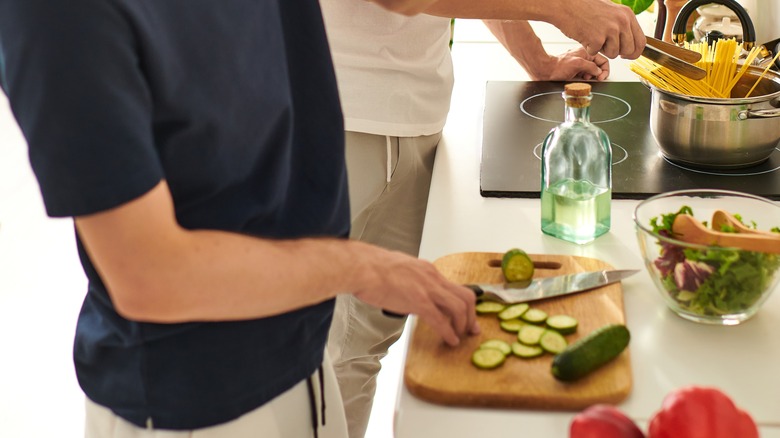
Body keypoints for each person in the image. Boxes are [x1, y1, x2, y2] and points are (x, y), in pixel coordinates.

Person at [0, 0, 479, 437]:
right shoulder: (58, 15)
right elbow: (149, 274)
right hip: (196, 406)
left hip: (305, 371)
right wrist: (362, 268)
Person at [320, 1, 646, 436]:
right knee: (294, 343)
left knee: (361, 344)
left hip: (418, 121)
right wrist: (562, 9)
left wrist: (539, 60)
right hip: (332, 117)